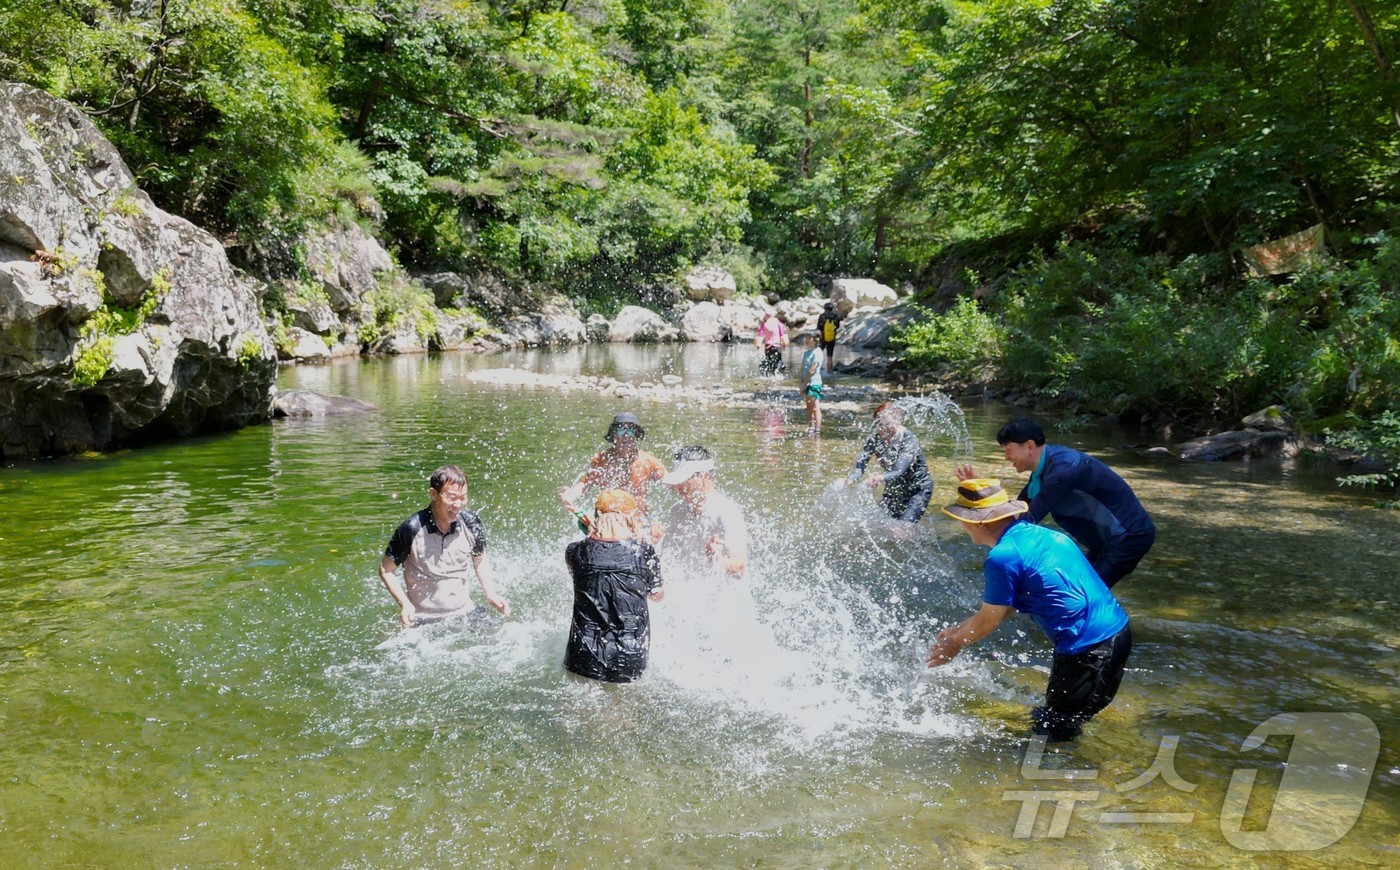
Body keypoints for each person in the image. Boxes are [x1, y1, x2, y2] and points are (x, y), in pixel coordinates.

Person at [926, 478, 1133, 743]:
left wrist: (954, 644)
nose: (961, 524)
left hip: (1090, 649)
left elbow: (990, 619)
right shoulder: (1042, 535)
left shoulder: (1003, 556)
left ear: (981, 522)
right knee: (1057, 719)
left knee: (1053, 734)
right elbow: (1008, 603)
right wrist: (958, 631)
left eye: (963, 518)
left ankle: (1061, 780)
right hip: (1114, 635)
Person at [956, 416, 1155, 587]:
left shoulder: (1063, 469)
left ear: (1029, 446)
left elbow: (1027, 519)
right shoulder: (1043, 471)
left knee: (1085, 599)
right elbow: (1015, 512)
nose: (1006, 457)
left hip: (1128, 537)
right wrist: (981, 491)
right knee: (1076, 590)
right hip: (1107, 541)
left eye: (1008, 450)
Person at [379, 465, 510, 628]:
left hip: (466, 612)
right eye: (452, 497)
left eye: (463, 497)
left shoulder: (471, 523)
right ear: (434, 494)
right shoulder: (411, 529)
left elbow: (480, 560)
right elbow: (386, 570)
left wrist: (490, 593)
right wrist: (405, 605)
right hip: (423, 618)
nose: (458, 504)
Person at [563, 490, 665, 683]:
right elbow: (657, 595)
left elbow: (596, 557)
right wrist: (650, 546)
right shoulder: (643, 552)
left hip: (582, 656)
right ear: (631, 519)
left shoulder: (574, 551)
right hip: (630, 656)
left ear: (596, 517)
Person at [560, 412, 667, 538]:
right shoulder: (602, 460)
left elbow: (671, 482)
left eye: (631, 431)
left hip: (638, 522)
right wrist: (570, 496)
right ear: (613, 436)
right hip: (607, 523)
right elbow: (586, 483)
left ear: (636, 436)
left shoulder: (649, 461)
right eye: (621, 430)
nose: (626, 436)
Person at [660, 445, 748, 579]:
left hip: (727, 596)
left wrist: (715, 558)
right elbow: (664, 560)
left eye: (686, 479)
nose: (679, 486)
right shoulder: (677, 511)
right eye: (678, 480)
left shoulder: (726, 511)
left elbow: (739, 569)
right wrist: (652, 542)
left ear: (705, 476)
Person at [847, 401, 934, 522]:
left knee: (902, 530)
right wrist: (851, 479)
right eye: (879, 423)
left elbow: (899, 470)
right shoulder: (874, 439)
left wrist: (879, 477)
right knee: (880, 524)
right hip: (894, 487)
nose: (882, 428)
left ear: (899, 421)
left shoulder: (908, 439)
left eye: (886, 423)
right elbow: (861, 464)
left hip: (918, 489)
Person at [798, 332, 824, 433]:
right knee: (808, 406)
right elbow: (802, 368)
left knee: (815, 407)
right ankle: (811, 427)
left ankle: (817, 429)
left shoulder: (818, 352)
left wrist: (805, 383)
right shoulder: (806, 353)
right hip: (805, 382)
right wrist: (801, 383)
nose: (806, 339)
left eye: (809, 337)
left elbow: (813, 369)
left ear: (815, 340)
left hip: (814, 383)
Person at [754, 309, 788, 376]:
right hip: (777, 346)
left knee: (769, 361)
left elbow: (760, 336)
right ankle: (777, 371)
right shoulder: (778, 322)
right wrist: (784, 345)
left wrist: (758, 346)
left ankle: (770, 375)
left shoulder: (764, 324)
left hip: (768, 347)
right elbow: (782, 334)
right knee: (778, 361)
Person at [816, 301, 841, 371]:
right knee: (829, 356)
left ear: (825, 308)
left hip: (823, 338)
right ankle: (830, 372)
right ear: (832, 308)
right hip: (832, 338)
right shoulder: (836, 316)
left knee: (818, 353)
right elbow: (838, 326)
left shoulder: (822, 316)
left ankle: (816, 369)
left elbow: (818, 328)